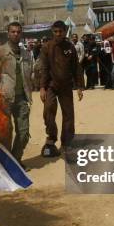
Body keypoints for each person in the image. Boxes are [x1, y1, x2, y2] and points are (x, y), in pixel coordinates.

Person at [0, 22, 33, 165]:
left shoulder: (26, 54)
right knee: (5, 133)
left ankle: (15, 161)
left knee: (24, 133)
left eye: (18, 32)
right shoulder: (0, 52)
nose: (16, 34)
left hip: (22, 98)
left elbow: (29, 74)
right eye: (13, 32)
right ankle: (6, 162)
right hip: (4, 98)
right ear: (8, 33)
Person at [39, 20, 84, 156]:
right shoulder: (46, 47)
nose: (58, 34)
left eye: (61, 31)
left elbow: (76, 67)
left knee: (68, 115)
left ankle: (67, 143)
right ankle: (51, 139)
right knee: (48, 111)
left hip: (66, 86)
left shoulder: (70, 47)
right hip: (51, 86)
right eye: (55, 31)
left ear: (65, 32)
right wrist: (42, 87)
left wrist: (80, 87)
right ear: (52, 32)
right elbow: (44, 69)